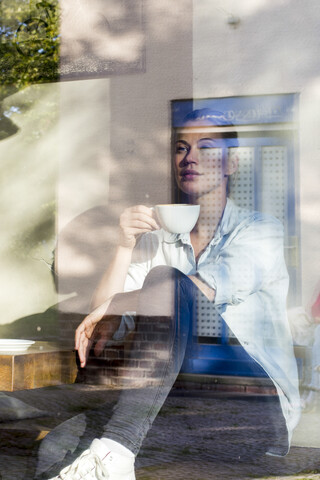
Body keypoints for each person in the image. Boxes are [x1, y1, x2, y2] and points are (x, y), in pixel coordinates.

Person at [45, 109, 301, 480]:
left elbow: (199, 289)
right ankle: (116, 449)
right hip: (179, 408)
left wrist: (119, 303)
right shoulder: (160, 240)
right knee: (57, 445)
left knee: (168, 281)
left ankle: (119, 443)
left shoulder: (260, 231)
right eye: (181, 148)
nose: (190, 157)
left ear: (232, 162)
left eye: (207, 147)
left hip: (253, 412)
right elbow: (102, 323)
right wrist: (123, 246)